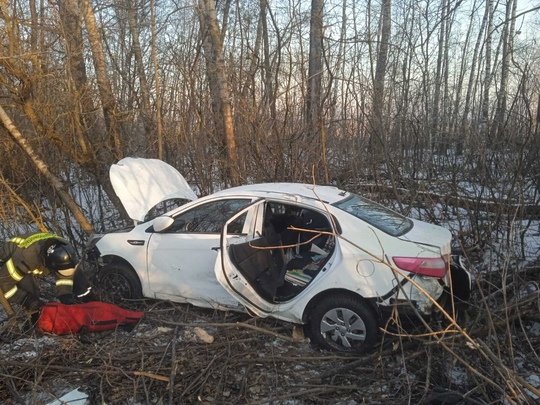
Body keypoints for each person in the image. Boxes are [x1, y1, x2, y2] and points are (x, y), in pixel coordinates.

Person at [0, 232, 92, 311]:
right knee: (30, 291)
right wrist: (27, 299)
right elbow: (4, 284)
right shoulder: (26, 258)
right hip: (12, 257)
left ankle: (89, 300)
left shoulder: (64, 247)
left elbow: (65, 273)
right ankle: (34, 318)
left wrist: (65, 294)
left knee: (76, 274)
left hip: (37, 254)